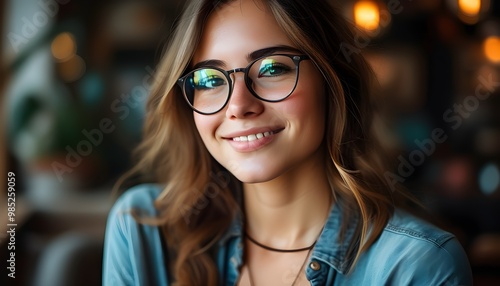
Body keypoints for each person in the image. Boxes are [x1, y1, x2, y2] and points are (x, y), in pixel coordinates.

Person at [102, 0, 473, 285]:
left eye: (272, 69)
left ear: (333, 81)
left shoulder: (413, 266)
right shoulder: (143, 230)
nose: (238, 106)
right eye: (209, 79)